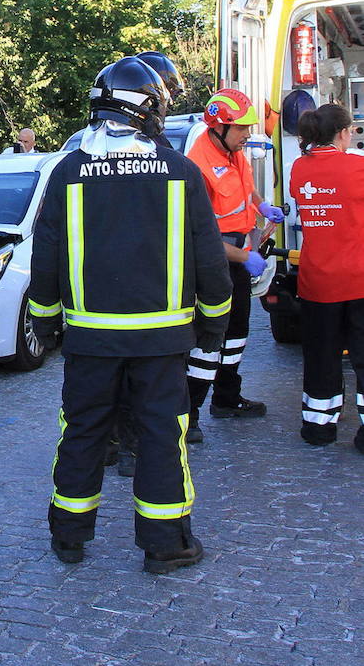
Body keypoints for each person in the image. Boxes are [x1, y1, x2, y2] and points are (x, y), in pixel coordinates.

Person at [30, 57, 230, 574]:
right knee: (163, 434)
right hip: (161, 342)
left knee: (82, 431)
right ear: (147, 110)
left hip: (90, 340)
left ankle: (69, 536)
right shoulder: (179, 171)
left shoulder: (67, 172)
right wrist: (212, 321)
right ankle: (166, 546)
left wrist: (47, 321)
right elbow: (209, 258)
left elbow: (46, 256)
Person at [183, 88, 275, 440]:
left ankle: (227, 398)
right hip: (215, 265)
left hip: (238, 258)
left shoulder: (233, 152)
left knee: (236, 335)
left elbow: (247, 191)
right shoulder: (197, 166)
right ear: (219, 126)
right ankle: (189, 415)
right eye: (242, 129)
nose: (247, 135)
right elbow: (201, 237)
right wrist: (245, 257)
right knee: (209, 342)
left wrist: (263, 207)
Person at [287, 104, 364, 450]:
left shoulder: (299, 169)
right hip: (359, 279)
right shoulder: (358, 167)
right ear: (344, 133)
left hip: (317, 282)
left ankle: (319, 427)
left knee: (321, 357)